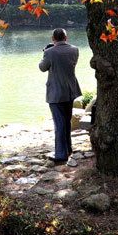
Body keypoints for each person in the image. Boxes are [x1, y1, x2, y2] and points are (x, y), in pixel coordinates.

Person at [39, 28, 82, 165]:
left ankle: (61, 154)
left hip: (56, 93)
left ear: (53, 39)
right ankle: (68, 149)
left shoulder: (49, 52)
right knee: (66, 121)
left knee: (59, 123)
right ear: (66, 37)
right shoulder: (75, 50)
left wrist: (44, 53)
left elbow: (42, 67)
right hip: (70, 90)